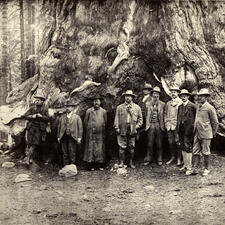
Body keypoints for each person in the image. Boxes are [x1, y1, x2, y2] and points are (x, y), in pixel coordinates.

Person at [192, 88, 218, 176]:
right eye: (199, 96)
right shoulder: (198, 106)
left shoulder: (210, 108)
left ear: (206, 97)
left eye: (202, 96)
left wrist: (213, 133)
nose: (200, 98)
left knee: (206, 152)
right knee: (195, 151)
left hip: (206, 133)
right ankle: (195, 169)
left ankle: (206, 169)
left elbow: (215, 122)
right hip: (197, 132)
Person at [114, 90, 143, 168]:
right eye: (126, 96)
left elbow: (140, 120)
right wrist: (117, 128)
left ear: (132, 97)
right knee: (122, 146)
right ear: (124, 97)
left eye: (129, 96)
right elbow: (116, 118)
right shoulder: (119, 107)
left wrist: (136, 127)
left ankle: (130, 162)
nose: (128, 98)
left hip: (132, 129)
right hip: (122, 128)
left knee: (131, 147)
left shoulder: (137, 108)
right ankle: (121, 162)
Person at [24, 92, 50, 169]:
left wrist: (41, 116)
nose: (36, 101)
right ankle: (30, 158)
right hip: (31, 127)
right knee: (29, 143)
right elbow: (25, 116)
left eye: (38, 100)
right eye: (36, 100)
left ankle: (28, 157)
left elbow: (48, 118)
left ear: (42, 101)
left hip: (39, 129)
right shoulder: (32, 108)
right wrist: (33, 116)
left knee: (35, 143)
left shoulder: (45, 109)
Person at [175, 89, 196, 175]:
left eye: (185, 96)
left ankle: (189, 167)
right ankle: (185, 165)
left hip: (189, 130)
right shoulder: (180, 107)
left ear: (188, 96)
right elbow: (178, 119)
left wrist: (192, 127)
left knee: (188, 147)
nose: (183, 97)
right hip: (181, 129)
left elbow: (196, 118)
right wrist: (177, 129)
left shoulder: (193, 106)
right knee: (182, 147)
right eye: (182, 96)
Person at [83, 95, 107, 170]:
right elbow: (85, 121)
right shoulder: (89, 111)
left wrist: (100, 128)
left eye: (98, 101)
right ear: (93, 102)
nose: (96, 102)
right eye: (95, 101)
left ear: (100, 102)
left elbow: (105, 122)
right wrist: (90, 128)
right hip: (91, 134)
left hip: (100, 133)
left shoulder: (103, 111)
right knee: (91, 148)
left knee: (99, 148)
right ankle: (91, 164)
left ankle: (99, 165)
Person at [144, 86, 165, 166]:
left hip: (159, 125)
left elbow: (164, 115)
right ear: (151, 95)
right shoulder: (147, 104)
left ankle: (159, 159)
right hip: (150, 124)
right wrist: (147, 124)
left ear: (159, 95)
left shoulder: (163, 104)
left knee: (159, 143)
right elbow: (145, 115)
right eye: (154, 94)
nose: (155, 95)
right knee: (150, 143)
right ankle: (149, 158)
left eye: (157, 94)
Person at [57, 101, 83, 166]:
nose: (68, 108)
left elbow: (80, 128)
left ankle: (72, 166)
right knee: (64, 152)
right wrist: (58, 136)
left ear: (73, 108)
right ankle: (66, 166)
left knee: (72, 152)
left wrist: (79, 137)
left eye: (70, 106)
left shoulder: (77, 117)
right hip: (63, 136)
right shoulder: (62, 117)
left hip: (73, 136)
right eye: (67, 106)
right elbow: (59, 127)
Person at [164, 86, 183, 166]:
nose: (173, 94)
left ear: (178, 93)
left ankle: (179, 158)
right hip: (169, 126)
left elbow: (181, 116)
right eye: (172, 92)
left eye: (175, 92)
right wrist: (166, 122)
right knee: (170, 142)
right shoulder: (168, 103)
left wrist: (179, 125)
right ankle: (173, 157)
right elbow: (165, 113)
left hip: (177, 126)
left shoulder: (181, 102)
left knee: (178, 142)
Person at [137, 83, 152, 157]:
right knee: (140, 136)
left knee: (148, 138)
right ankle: (140, 154)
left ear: (149, 91)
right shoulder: (140, 99)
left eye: (147, 90)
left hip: (147, 120)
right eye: (144, 89)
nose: (145, 91)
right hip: (140, 120)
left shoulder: (151, 99)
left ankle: (148, 155)